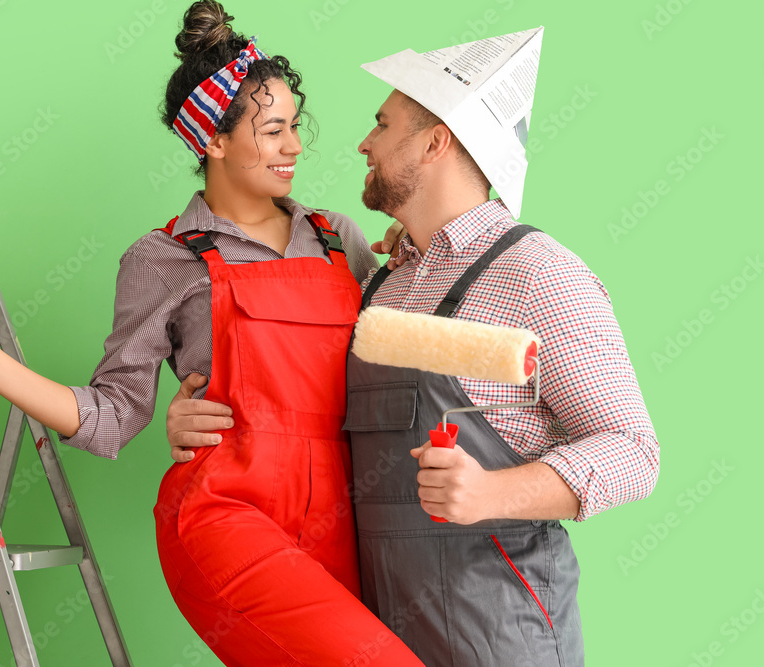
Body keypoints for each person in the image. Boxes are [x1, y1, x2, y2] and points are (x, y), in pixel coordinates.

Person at [0, 2, 421, 665]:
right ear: (212, 141)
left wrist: (422, 249)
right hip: (226, 515)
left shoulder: (339, 239)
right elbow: (112, 416)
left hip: (341, 520)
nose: (295, 146)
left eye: (295, 126)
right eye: (272, 131)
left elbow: (393, 358)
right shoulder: (163, 259)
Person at [167, 28, 660, 666]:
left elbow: (635, 454)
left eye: (382, 124)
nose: (362, 144)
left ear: (434, 141)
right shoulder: (380, 285)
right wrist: (198, 416)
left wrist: (489, 494)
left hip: (501, 630)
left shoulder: (538, 272)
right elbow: (307, 409)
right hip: (381, 628)